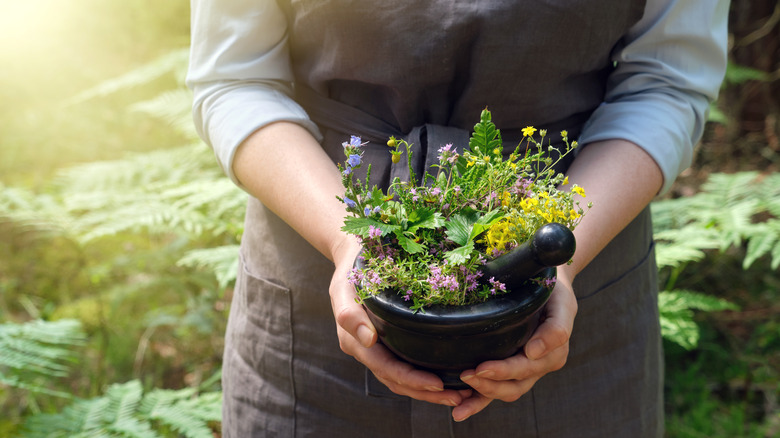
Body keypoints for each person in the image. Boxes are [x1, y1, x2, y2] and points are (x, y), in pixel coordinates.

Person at [187, 0, 729, 436]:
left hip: (579, 289)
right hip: (312, 307)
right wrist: (348, 241)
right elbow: (236, 78)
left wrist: (558, 261)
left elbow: (666, 82)